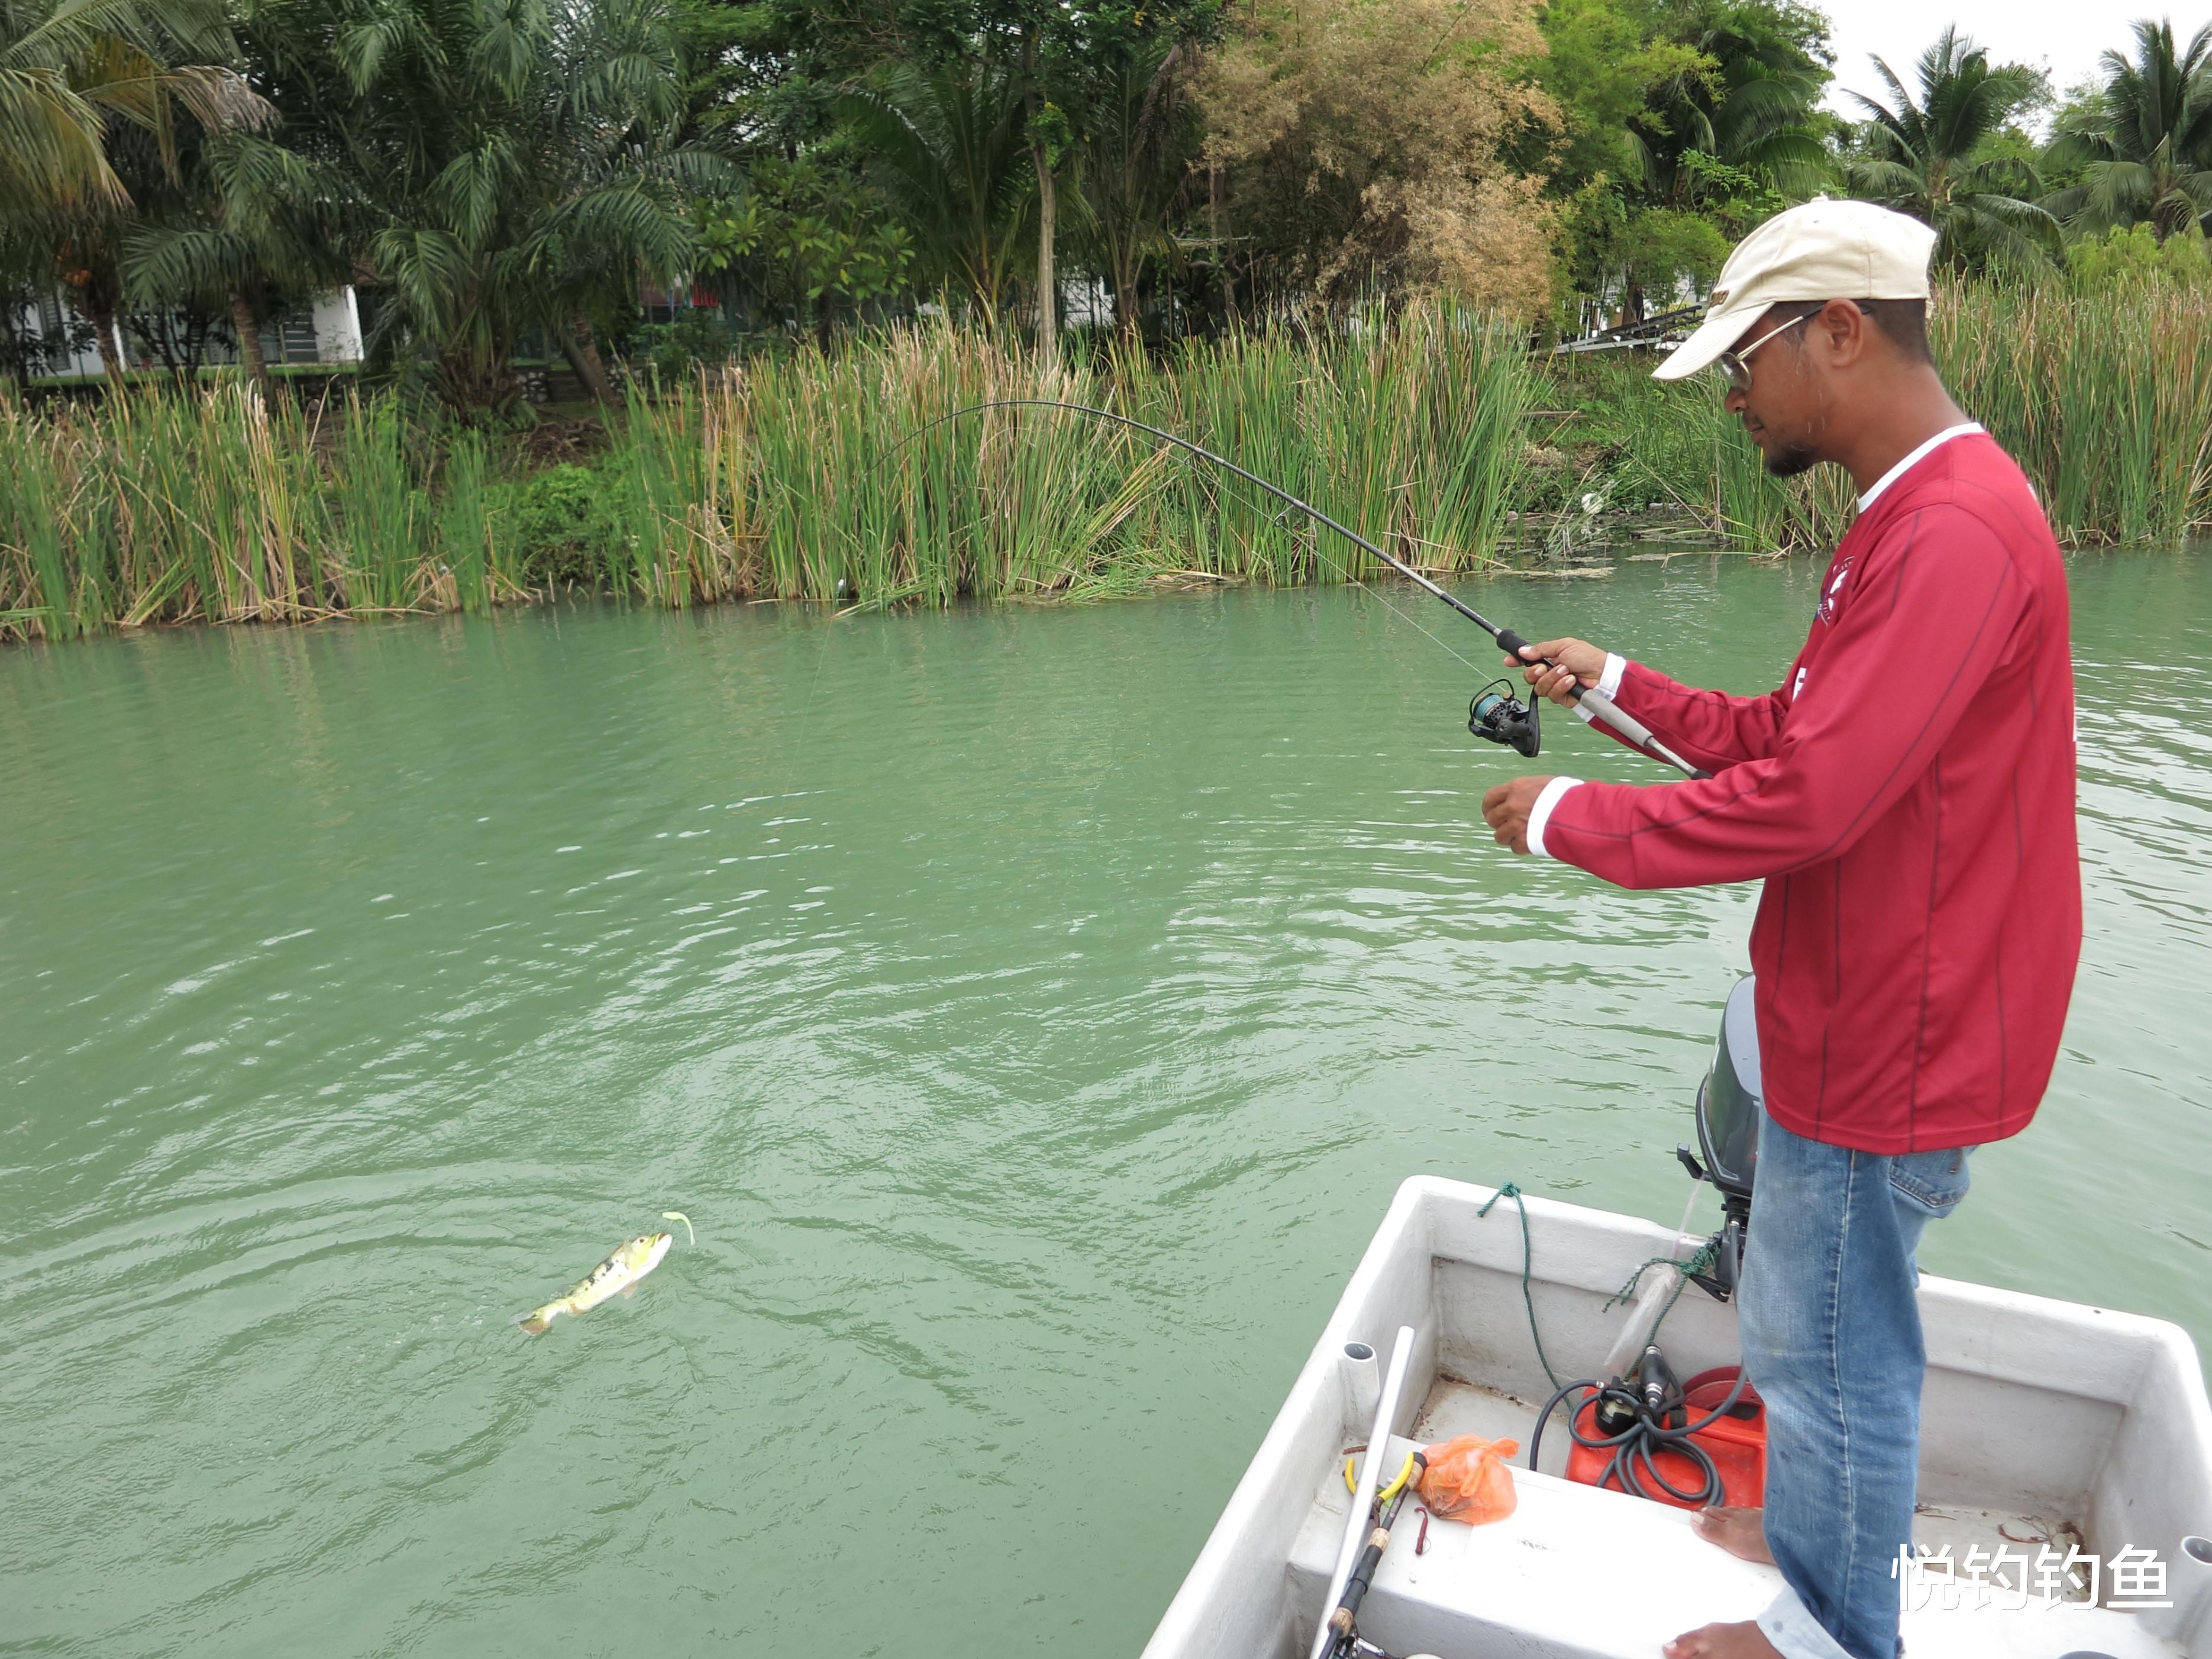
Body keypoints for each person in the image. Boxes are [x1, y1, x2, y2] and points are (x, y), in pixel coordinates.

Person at [1479, 198, 2081, 1659]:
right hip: (1864, 1001)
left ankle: (1822, 1626)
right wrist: (1615, 681)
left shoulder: (1949, 531)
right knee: (1820, 1339)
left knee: (1827, 1359)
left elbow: (1808, 800)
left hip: (1894, 1033)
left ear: (1839, 331)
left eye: (1743, 358)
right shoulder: (1907, 517)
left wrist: (1570, 820)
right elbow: (1793, 739)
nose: (1731, 392)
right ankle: (1818, 1531)